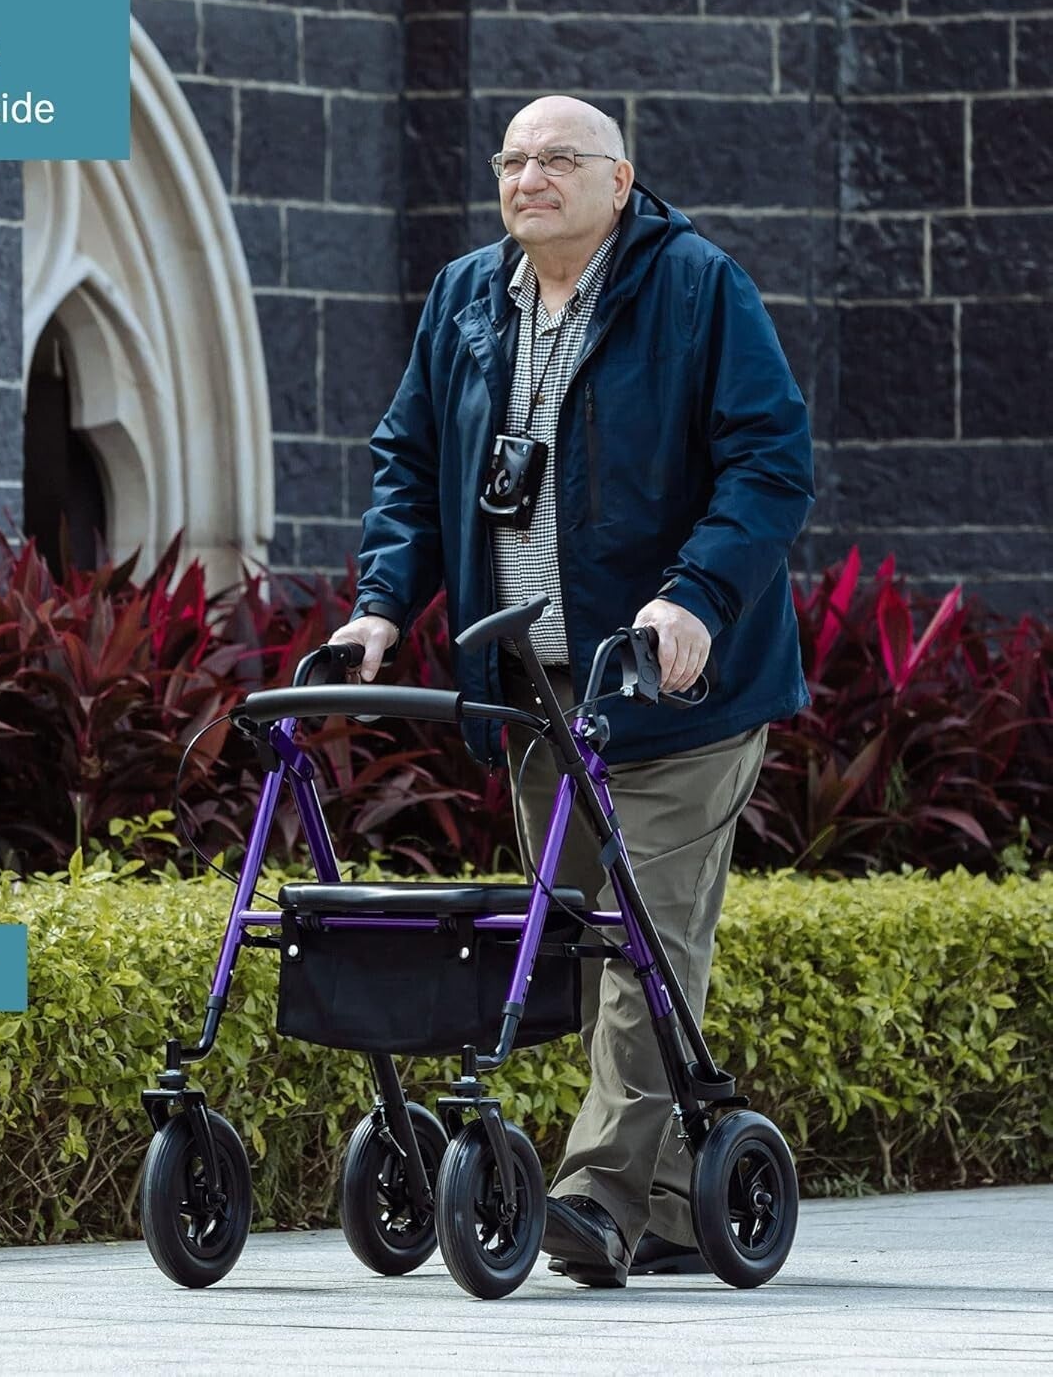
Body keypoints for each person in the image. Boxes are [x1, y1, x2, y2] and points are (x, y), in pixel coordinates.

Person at [328, 95, 814, 1287]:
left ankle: (594, 1198)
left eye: (558, 158)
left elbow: (771, 458)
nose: (530, 177)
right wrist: (384, 601)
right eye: (513, 160)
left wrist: (697, 595)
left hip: (677, 693)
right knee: (578, 946)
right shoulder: (465, 298)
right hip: (537, 693)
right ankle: (676, 1206)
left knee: (645, 938)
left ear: (619, 178)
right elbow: (410, 461)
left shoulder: (697, 288)